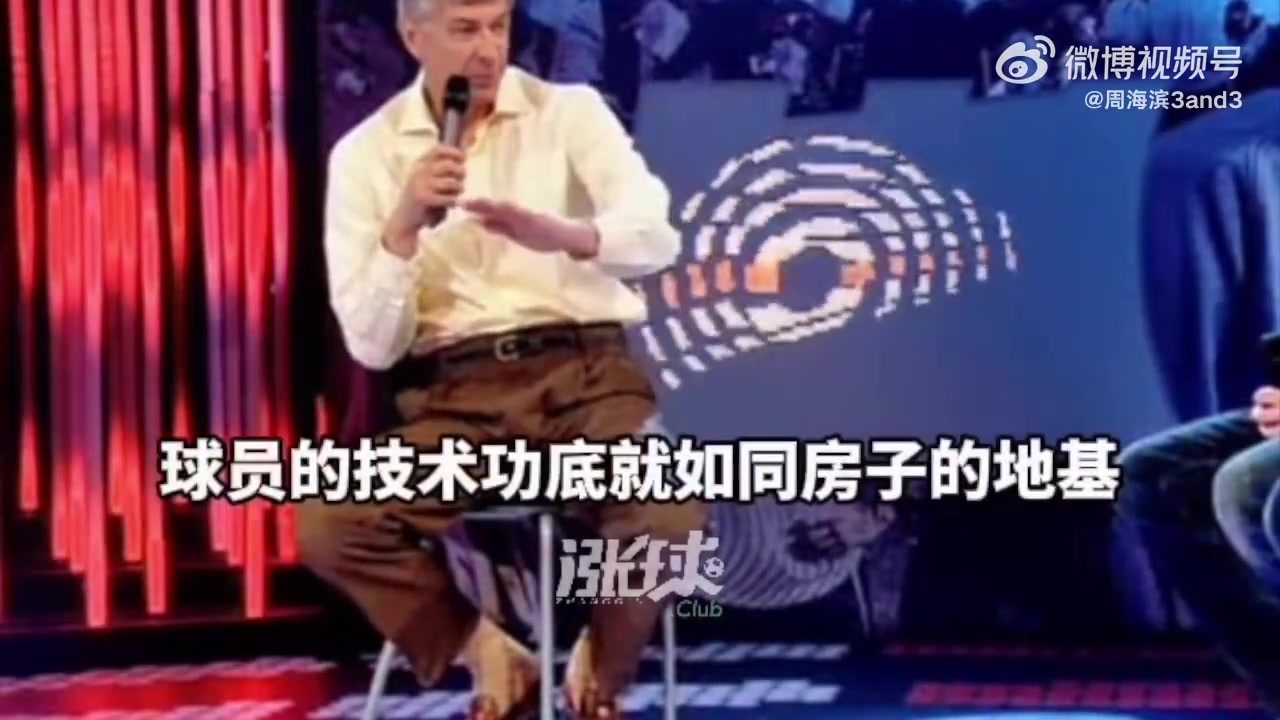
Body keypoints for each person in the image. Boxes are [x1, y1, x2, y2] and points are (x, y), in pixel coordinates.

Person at [296, 1, 705, 718]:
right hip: (453, 398)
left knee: (669, 507)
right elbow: (373, 345)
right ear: (413, 36)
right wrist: (401, 229)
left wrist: (566, 235)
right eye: (464, 30)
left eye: (498, 26)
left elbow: (655, 235)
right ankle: (488, 654)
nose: (487, 50)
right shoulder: (366, 154)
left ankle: (601, 672)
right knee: (330, 521)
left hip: (587, 379)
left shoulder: (569, 113)